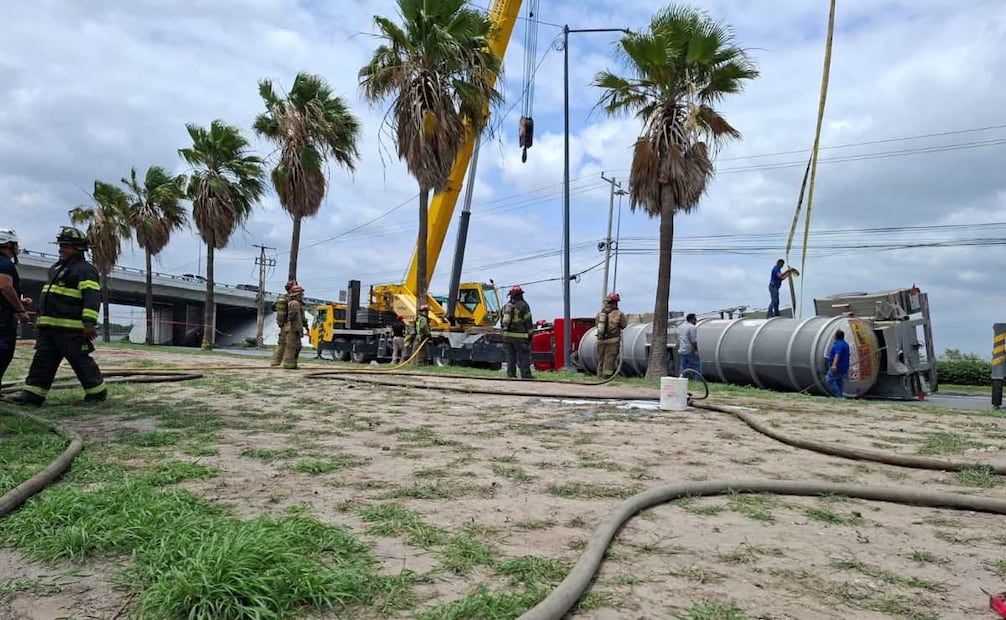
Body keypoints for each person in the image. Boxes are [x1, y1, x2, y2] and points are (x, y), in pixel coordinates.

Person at [12, 227, 106, 406]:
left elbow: (92, 298)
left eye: (66, 246)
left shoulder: (85, 270)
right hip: (49, 328)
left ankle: (97, 393)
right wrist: (40, 320)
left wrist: (88, 323)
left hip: (70, 329)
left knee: (80, 361)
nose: (61, 249)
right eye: (61, 245)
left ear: (79, 248)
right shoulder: (56, 268)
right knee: (42, 361)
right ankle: (33, 396)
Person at [0, 229, 32, 387]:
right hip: (2, 321)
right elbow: (5, 287)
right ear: (9, 245)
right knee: (3, 354)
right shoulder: (4, 263)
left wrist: (19, 302)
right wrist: (20, 310)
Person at [500, 285, 533, 379]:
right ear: (521, 294)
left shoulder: (506, 306)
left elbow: (502, 321)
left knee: (510, 357)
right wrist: (530, 335)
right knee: (523, 356)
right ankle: (526, 375)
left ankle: (511, 375)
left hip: (507, 336)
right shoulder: (524, 305)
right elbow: (528, 321)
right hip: (520, 337)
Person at [595, 293, 628, 377]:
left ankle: (599, 375)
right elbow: (624, 325)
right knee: (609, 359)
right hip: (613, 341)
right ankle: (607, 376)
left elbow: (596, 325)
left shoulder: (600, 314)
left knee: (601, 359)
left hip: (600, 340)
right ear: (616, 303)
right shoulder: (619, 314)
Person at [270, 280, 296, 367]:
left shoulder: (283, 298)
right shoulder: (286, 299)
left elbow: (273, 307)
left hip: (284, 323)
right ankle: (280, 362)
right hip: (286, 323)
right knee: (285, 343)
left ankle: (276, 361)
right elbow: (281, 313)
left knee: (282, 343)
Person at [281, 284, 306, 370]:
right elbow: (294, 317)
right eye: (301, 294)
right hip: (292, 328)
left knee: (297, 346)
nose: (302, 296)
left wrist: (305, 326)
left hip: (294, 328)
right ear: (296, 294)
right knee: (291, 347)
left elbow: (301, 317)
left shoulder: (297, 304)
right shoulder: (294, 304)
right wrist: (298, 329)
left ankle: (293, 364)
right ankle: (288, 365)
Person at [826, 329, 851, 397]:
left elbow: (837, 354)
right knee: (839, 381)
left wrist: (834, 365)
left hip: (838, 367)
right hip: (843, 367)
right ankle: (840, 396)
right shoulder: (845, 344)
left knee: (829, 379)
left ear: (836, 336)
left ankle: (838, 395)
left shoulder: (839, 344)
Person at [678, 313, 701, 377]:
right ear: (691, 319)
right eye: (695, 319)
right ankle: (697, 381)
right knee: (698, 365)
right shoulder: (692, 327)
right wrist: (696, 350)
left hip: (682, 349)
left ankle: (682, 379)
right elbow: (693, 340)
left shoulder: (681, 326)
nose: (696, 321)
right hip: (689, 350)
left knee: (683, 367)